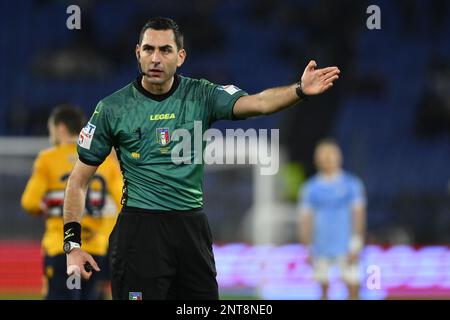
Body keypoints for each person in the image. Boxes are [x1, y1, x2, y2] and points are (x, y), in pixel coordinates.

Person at [63, 17, 341, 300]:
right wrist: (72, 244)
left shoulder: (202, 95)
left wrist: (299, 90)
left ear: (181, 56)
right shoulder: (112, 108)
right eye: (148, 49)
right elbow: (78, 181)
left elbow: (258, 103)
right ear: (137, 53)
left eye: (165, 50)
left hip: (190, 229)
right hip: (140, 231)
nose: (155, 58)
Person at [21, 105, 123, 300]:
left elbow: (29, 202)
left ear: (60, 128)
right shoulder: (105, 160)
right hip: (96, 249)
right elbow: (123, 202)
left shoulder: (48, 159)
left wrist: (49, 207)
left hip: (62, 248)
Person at [298, 138, 366, 300]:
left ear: (339, 156)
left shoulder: (352, 184)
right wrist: (306, 247)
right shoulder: (310, 188)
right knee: (323, 288)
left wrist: (356, 243)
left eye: (331, 154)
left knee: (353, 287)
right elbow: (306, 219)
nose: (327, 158)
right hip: (321, 246)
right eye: (323, 154)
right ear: (317, 159)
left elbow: (358, 215)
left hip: (346, 245)